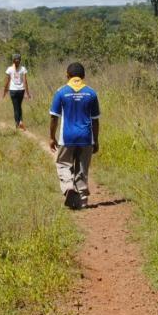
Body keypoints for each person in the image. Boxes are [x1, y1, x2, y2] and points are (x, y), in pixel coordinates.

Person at [49, 62, 100, 210]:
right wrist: (95, 140)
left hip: (67, 137)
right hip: (86, 137)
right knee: (82, 168)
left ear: (67, 75)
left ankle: (68, 187)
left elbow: (54, 117)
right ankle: (83, 200)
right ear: (83, 76)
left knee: (63, 163)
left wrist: (52, 137)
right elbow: (95, 120)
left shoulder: (61, 92)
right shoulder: (91, 93)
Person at [3, 53, 30, 129]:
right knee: (19, 106)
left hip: (13, 90)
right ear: (20, 60)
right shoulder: (23, 69)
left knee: (16, 107)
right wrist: (27, 93)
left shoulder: (9, 69)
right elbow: (25, 81)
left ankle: (17, 124)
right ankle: (21, 121)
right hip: (21, 90)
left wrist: (5, 91)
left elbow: (7, 81)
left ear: (13, 60)